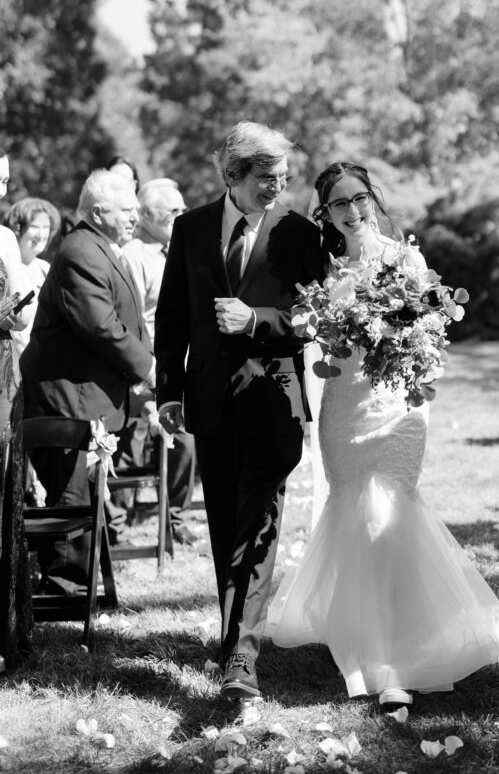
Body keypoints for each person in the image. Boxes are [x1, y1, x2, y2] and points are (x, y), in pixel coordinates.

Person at [266, 162, 499, 706]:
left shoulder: (406, 258)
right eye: (339, 204)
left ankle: (395, 662)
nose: (352, 211)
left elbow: (433, 329)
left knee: (389, 516)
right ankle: (371, 642)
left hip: (397, 407)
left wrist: (408, 345)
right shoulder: (326, 271)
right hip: (344, 408)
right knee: (356, 516)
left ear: (373, 199)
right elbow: (316, 337)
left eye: (359, 199)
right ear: (326, 214)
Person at [155, 121, 322, 700]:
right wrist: (170, 392)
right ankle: (234, 644)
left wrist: (257, 321)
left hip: (276, 405)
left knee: (258, 525)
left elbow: (314, 319)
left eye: (284, 178)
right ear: (233, 176)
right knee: (227, 525)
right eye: (266, 178)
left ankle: (242, 657)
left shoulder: (300, 234)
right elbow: (172, 318)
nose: (277, 188)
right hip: (209, 404)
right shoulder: (191, 228)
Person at [20, 169, 155, 593]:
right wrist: (149, 370)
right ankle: (63, 591)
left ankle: (81, 587)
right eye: (127, 209)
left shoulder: (102, 247)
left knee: (83, 496)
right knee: (69, 497)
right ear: (98, 211)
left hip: (88, 397)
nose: (136, 216)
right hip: (66, 401)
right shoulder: (81, 250)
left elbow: (126, 321)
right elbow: (101, 327)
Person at [120, 178, 197, 546]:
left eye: (182, 208)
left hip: (179, 366)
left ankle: (175, 519)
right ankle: (119, 522)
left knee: (186, 441)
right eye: (173, 210)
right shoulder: (133, 256)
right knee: (130, 446)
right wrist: (144, 373)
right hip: (143, 370)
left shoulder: (181, 250)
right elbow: (129, 320)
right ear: (146, 215)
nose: (181, 215)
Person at [0, 151, 34, 431]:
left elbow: (21, 312)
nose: (0, 191)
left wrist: (15, 314)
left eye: (4, 181)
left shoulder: (6, 238)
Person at [5, 197, 61, 358]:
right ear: (17, 228)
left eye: (47, 227)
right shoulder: (6, 269)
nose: (42, 234)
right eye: (35, 227)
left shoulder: (45, 268)